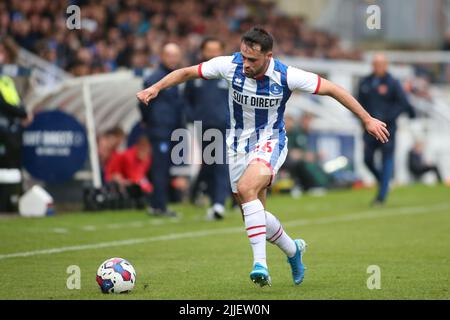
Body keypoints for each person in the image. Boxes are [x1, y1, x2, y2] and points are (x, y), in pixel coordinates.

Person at [137, 27, 389, 287]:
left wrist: (367, 119)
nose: (245, 63)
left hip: (270, 141)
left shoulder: (286, 75)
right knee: (253, 215)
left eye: (252, 60)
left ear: (268, 56)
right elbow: (187, 72)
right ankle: (293, 250)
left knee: (247, 189)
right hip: (236, 146)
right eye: (244, 56)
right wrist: (155, 88)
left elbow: (333, 89)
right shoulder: (230, 65)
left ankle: (260, 265)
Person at [358, 53, 415, 206]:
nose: (378, 67)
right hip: (369, 130)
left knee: (387, 159)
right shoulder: (365, 82)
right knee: (367, 159)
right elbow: (358, 103)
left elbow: (403, 103)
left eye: (381, 64)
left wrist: (388, 118)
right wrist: (364, 121)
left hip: (388, 129)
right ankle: (383, 181)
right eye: (375, 64)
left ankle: (381, 196)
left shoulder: (393, 83)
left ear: (386, 65)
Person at [185, 37, 231, 220]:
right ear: (202, 51)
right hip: (202, 127)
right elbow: (187, 100)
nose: (212, 53)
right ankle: (210, 199)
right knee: (209, 165)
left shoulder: (228, 75)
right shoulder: (196, 74)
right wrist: (192, 116)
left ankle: (219, 203)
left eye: (215, 49)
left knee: (221, 163)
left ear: (221, 51)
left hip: (225, 127)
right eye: (208, 49)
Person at [138, 43, 186, 218]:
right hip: (161, 130)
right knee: (160, 169)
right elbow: (143, 103)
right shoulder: (154, 79)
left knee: (163, 168)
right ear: (162, 56)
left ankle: (157, 204)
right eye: (169, 55)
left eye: (176, 55)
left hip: (172, 130)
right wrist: (150, 122)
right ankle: (160, 206)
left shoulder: (176, 77)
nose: (173, 59)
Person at [104, 135, 153, 208]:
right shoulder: (128, 156)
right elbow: (134, 177)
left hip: (128, 180)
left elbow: (140, 176)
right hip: (114, 179)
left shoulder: (147, 158)